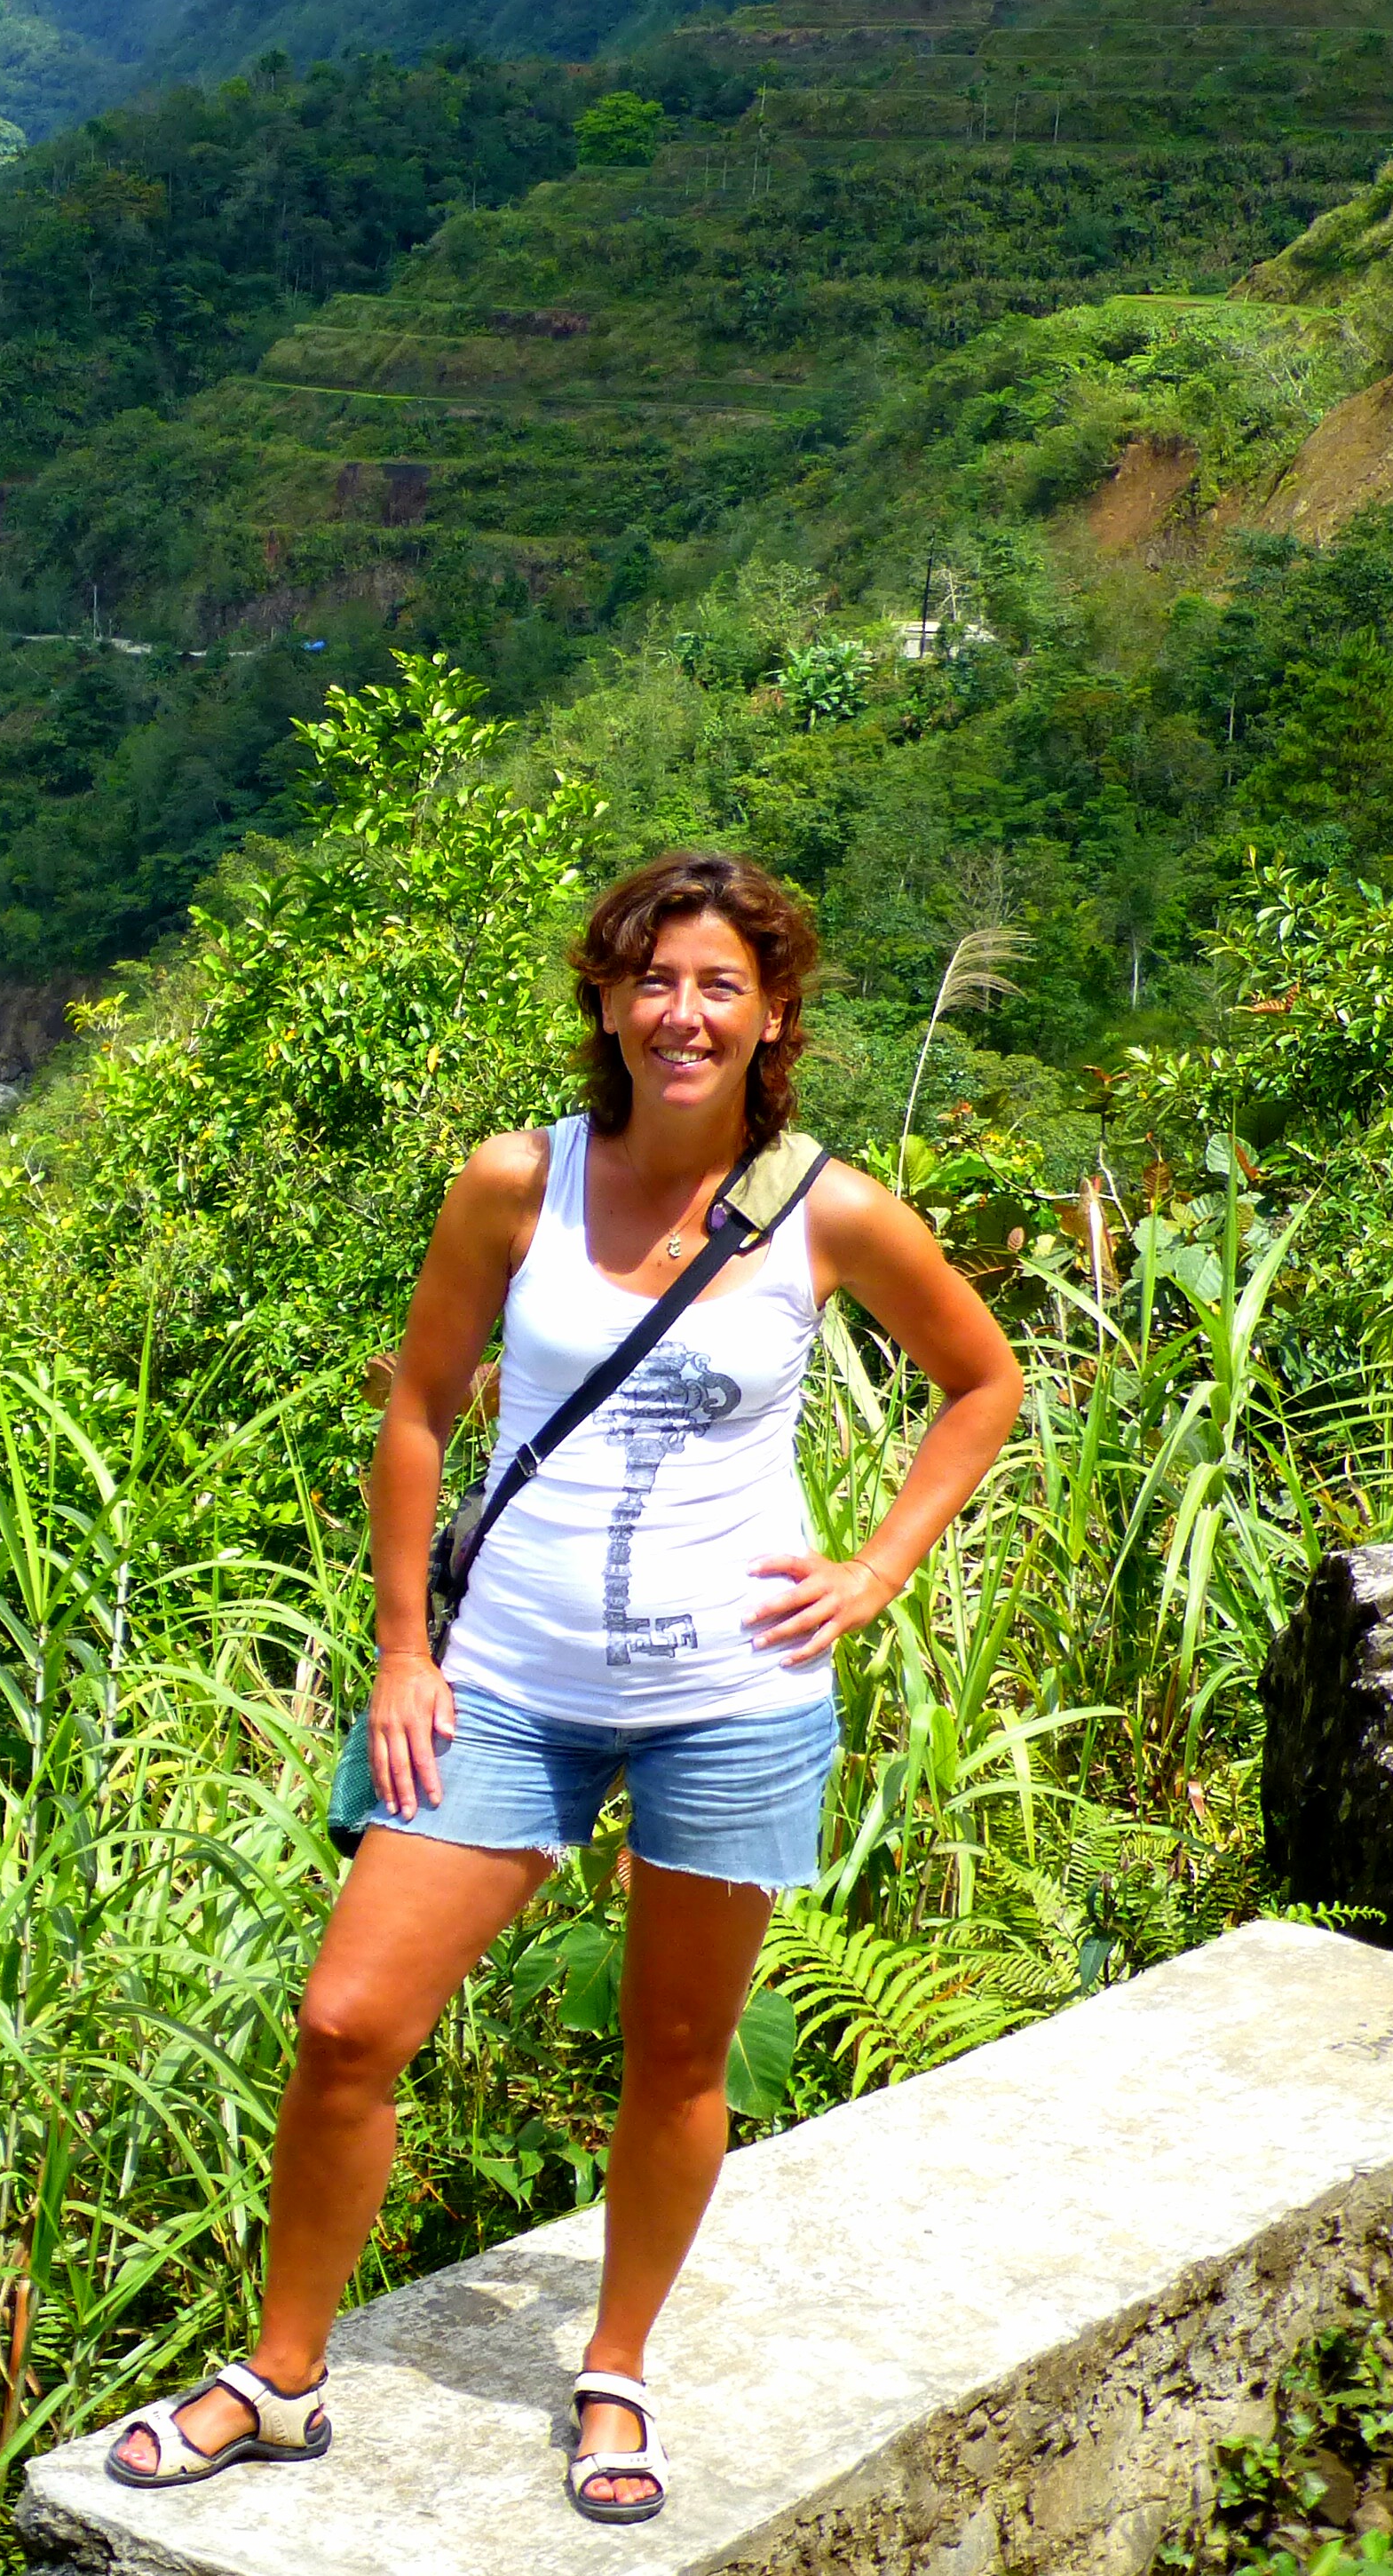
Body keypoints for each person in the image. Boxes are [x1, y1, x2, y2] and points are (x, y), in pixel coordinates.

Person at [100, 852, 1023, 2525]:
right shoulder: (514, 1183)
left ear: (773, 1016)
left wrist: (873, 1571)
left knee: (675, 2059)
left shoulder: (832, 1209)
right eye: (653, 979)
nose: (684, 1012)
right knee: (345, 2023)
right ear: (608, 999)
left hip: (734, 1698)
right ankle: (283, 2374)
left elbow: (982, 1381)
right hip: (507, 1685)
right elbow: (415, 1408)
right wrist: (401, 1648)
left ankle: (613, 2368)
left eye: (719, 985)